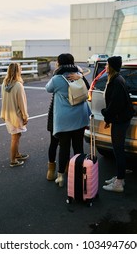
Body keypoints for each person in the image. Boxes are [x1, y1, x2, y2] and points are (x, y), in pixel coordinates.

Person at [45, 53, 91, 187]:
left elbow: (48, 89)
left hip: (64, 120)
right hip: (79, 118)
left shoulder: (57, 78)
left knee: (64, 147)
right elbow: (88, 88)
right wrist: (81, 76)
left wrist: (56, 73)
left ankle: (60, 177)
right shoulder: (78, 74)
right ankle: (79, 174)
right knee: (78, 147)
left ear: (59, 63)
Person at [101, 56, 133, 192]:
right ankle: (120, 177)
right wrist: (109, 119)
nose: (105, 67)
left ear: (112, 66)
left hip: (120, 119)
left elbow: (115, 105)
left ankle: (119, 183)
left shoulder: (116, 82)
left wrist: (106, 114)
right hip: (120, 119)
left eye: (107, 65)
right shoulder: (116, 79)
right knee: (118, 149)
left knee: (118, 150)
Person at [0, 62, 29, 167]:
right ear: (17, 71)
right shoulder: (18, 85)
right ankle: (13, 160)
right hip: (16, 116)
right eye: (20, 69)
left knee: (17, 135)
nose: (21, 70)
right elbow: (22, 103)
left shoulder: (4, 84)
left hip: (7, 115)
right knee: (15, 137)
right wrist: (25, 116)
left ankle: (17, 154)